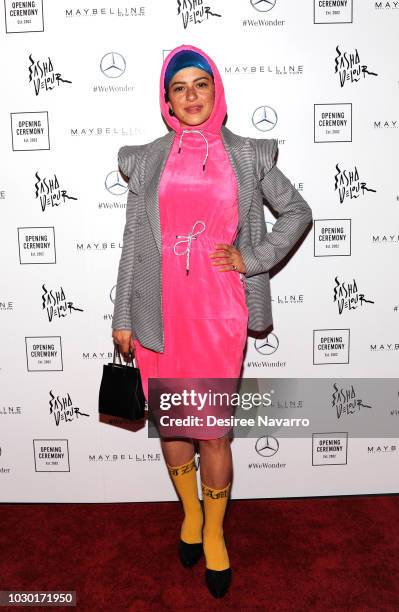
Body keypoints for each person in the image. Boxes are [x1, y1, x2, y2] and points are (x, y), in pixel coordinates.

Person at [112, 44, 313, 598]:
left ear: (217, 89)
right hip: (159, 311)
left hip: (218, 310)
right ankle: (191, 516)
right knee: (174, 424)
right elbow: (133, 241)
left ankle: (217, 534)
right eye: (179, 87)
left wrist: (252, 258)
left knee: (214, 432)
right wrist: (123, 313)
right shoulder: (147, 158)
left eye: (201, 84)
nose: (191, 95)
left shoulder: (248, 154)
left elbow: (297, 212)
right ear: (166, 98)